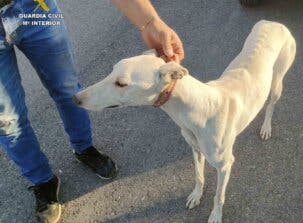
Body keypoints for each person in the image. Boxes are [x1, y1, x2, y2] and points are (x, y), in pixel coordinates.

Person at [0, 0, 184, 222]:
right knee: (6, 120)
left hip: (33, 8)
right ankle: (42, 181)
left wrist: (150, 22)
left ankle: (84, 148)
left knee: (69, 91)